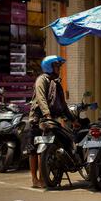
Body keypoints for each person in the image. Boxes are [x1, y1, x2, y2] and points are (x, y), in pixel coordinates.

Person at [27, 55, 80, 188]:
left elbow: (63, 105)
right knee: (34, 150)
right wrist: (47, 114)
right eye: (57, 66)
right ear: (49, 66)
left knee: (45, 149)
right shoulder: (42, 80)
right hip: (37, 119)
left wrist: (73, 119)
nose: (59, 69)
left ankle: (43, 177)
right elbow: (41, 99)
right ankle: (35, 179)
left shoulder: (56, 83)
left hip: (50, 120)